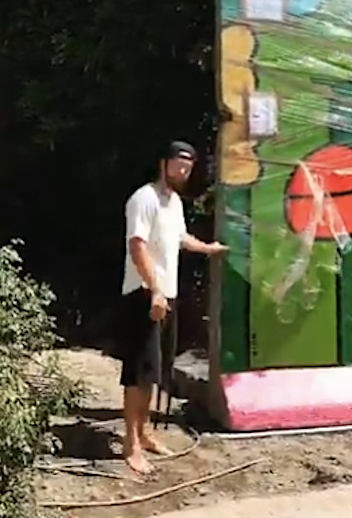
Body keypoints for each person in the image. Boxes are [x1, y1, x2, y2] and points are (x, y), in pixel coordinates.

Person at [118, 140, 227, 475]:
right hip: (144, 295)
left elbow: (180, 238)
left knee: (154, 370)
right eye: (179, 165)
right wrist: (154, 292)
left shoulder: (174, 202)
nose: (183, 171)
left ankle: (145, 432)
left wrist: (208, 249)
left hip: (167, 295)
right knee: (138, 374)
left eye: (188, 167)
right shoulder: (144, 198)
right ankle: (131, 445)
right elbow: (137, 248)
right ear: (163, 163)